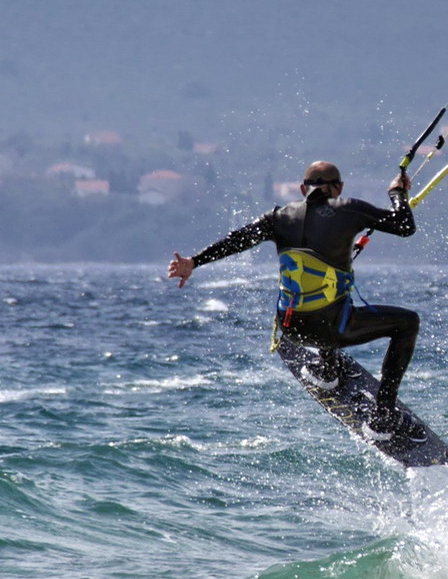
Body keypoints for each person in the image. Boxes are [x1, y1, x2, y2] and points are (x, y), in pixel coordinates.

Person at [168, 160, 423, 441]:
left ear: (303, 189)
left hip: (292, 328)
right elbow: (404, 225)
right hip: (331, 327)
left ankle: (327, 367)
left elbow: (235, 240)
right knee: (407, 322)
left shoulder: (278, 216)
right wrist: (397, 194)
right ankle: (383, 417)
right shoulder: (349, 208)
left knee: (321, 300)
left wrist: (194, 261)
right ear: (338, 187)